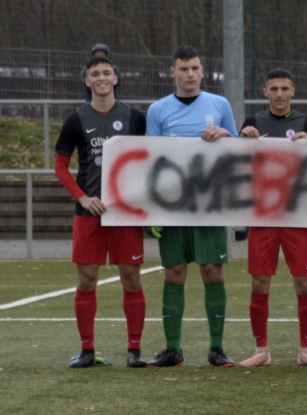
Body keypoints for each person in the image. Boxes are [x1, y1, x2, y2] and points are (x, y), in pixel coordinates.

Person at [145, 45, 239, 368]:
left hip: (209, 203)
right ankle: (173, 350)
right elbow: (150, 159)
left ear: (202, 70)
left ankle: (217, 348)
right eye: (183, 69)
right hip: (172, 205)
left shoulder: (220, 104)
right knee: (174, 273)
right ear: (173, 72)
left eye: (195, 68)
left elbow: (238, 150)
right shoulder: (157, 110)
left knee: (212, 271)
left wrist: (226, 132)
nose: (189, 74)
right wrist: (151, 210)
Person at [57, 56, 147, 368]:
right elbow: (60, 166)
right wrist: (82, 198)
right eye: (95, 74)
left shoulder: (135, 117)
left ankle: (134, 351)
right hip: (89, 213)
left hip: (124, 213)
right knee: (86, 280)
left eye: (106, 72)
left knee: (131, 278)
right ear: (87, 81)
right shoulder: (75, 119)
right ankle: (87, 351)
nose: (101, 78)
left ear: (116, 78)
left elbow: (148, 159)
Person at [236, 68, 307, 367]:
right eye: (273, 88)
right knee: (260, 283)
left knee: (304, 283)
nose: (278, 94)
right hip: (262, 215)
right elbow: (238, 163)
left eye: (284, 89)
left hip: (297, 216)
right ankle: (261, 350)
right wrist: (243, 139)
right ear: (264, 92)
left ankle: (306, 350)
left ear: (293, 91)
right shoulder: (253, 123)